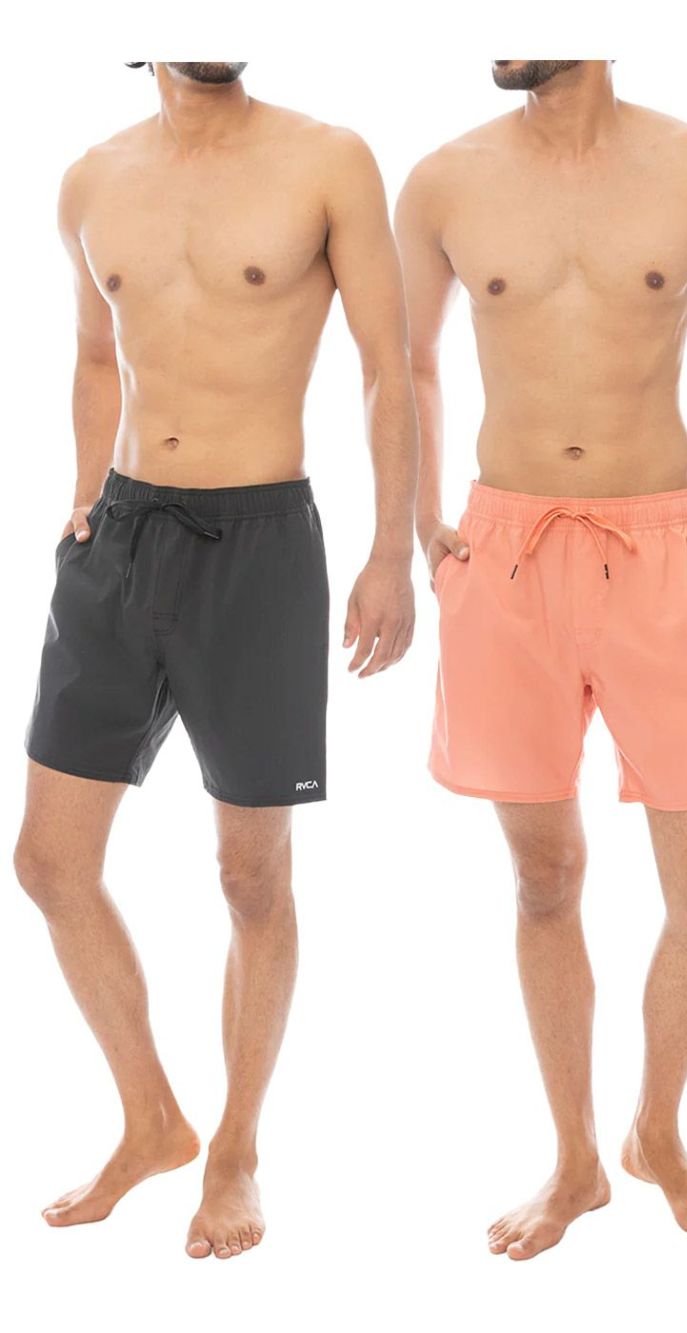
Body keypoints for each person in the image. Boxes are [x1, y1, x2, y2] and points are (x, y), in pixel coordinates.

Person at [14, 60, 417, 1260]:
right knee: (48, 861)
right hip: (120, 535)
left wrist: (388, 549)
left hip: (258, 545)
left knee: (251, 878)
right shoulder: (90, 178)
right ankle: (152, 1120)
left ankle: (235, 1147)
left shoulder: (326, 157)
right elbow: (97, 356)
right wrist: (82, 495)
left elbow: (387, 361)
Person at [396, 58, 687, 1259]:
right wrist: (419, 521)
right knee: (542, 879)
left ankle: (654, 1130)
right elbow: (407, 361)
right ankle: (573, 1160)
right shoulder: (444, 178)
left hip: (664, 547)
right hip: (504, 553)